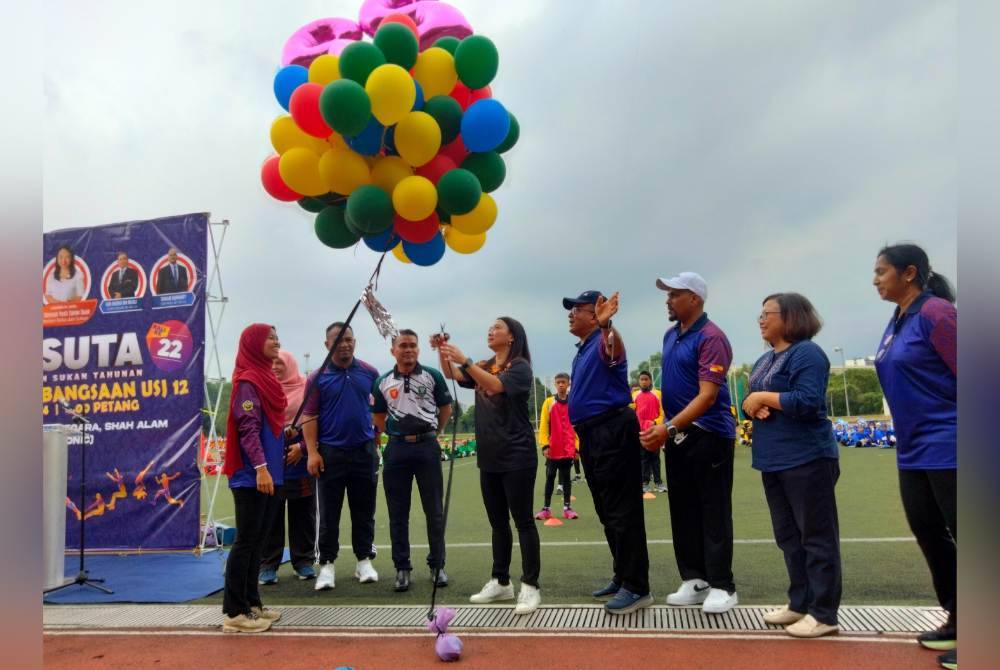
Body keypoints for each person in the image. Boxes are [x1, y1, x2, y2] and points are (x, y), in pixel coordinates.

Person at [872, 243, 957, 668]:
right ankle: (960, 616)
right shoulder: (897, 321)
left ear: (909, 273)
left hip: (952, 441)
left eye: (881, 271)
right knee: (929, 531)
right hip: (913, 448)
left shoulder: (936, 313)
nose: (875, 279)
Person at [742, 293, 842, 638]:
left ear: (791, 317)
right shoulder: (763, 360)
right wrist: (750, 404)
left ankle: (824, 613)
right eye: (761, 313)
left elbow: (808, 400)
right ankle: (799, 603)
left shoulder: (807, 354)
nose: (761, 319)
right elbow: (750, 399)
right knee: (789, 536)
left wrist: (764, 398)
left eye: (767, 313)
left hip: (808, 457)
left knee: (816, 537)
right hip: (773, 459)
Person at [640, 272, 738, 614]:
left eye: (674, 294)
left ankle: (723, 585)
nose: (667, 300)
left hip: (709, 434)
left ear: (694, 298)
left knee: (713, 510)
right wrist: (667, 428)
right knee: (682, 509)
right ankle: (695, 578)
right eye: (667, 294)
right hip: (678, 436)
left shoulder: (712, 337)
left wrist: (667, 427)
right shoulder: (671, 335)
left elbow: (708, 396)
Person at [435, 317, 541, 615]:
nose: (490, 330)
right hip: (490, 456)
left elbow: (494, 385)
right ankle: (501, 581)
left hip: (517, 455)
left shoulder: (519, 367)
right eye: (490, 327)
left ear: (511, 337)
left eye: (497, 327)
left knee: (523, 522)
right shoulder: (483, 363)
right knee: (498, 523)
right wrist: (443, 351)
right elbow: (453, 374)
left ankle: (530, 586)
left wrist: (465, 360)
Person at [563, 290, 651, 615]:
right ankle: (623, 575)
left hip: (612, 429)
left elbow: (615, 352)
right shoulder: (583, 348)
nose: (571, 314)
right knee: (605, 510)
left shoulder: (604, 339)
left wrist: (607, 325)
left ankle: (638, 587)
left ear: (596, 313)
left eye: (577, 309)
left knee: (622, 510)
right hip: (592, 435)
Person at [371, 329, 453, 592]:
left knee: (434, 512)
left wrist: (433, 434)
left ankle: (437, 565)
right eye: (403, 345)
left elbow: (445, 408)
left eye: (413, 346)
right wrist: (397, 434)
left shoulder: (433, 376)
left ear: (418, 349)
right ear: (393, 350)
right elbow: (378, 418)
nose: (408, 350)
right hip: (396, 451)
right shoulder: (382, 382)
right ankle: (402, 568)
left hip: (427, 448)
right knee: (398, 513)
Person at [302, 322, 381, 590]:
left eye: (348, 339)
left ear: (354, 342)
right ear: (327, 345)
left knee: (364, 510)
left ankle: (363, 561)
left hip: (364, 451)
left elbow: (379, 411)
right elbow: (309, 416)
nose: (344, 344)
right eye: (338, 340)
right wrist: (312, 452)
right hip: (330, 453)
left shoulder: (370, 373)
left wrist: (377, 442)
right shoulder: (317, 378)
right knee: (329, 512)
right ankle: (327, 564)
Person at [221, 323, 286, 633]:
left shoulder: (267, 379)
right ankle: (235, 611)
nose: (277, 341)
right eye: (270, 337)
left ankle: (252, 604)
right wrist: (260, 467)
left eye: (277, 336)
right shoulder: (248, 382)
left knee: (258, 541)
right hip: (251, 476)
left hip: (269, 475)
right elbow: (247, 428)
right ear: (254, 343)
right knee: (247, 541)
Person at [258, 350, 317, 585]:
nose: (274, 366)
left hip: (300, 460)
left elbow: (316, 422)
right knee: (270, 513)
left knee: (303, 512)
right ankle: (268, 564)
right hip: (271, 459)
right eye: (270, 361)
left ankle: (303, 561)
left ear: (290, 364)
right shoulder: (261, 388)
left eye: (279, 362)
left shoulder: (306, 389)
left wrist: (301, 446)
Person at [535, 372, 579, 520]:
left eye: (563, 382)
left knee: (566, 478)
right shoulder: (548, 403)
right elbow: (543, 426)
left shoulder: (573, 403)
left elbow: (576, 426)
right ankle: (546, 508)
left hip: (567, 449)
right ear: (555, 384)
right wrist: (545, 445)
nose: (561, 384)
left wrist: (577, 447)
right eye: (558, 382)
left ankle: (567, 508)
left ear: (568, 384)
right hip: (553, 449)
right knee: (550, 477)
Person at [631, 371, 666, 493]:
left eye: (646, 379)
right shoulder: (635, 395)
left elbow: (662, 412)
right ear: (639, 381)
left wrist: (656, 422)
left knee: (655, 457)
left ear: (650, 380)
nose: (644, 382)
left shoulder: (658, 394)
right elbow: (631, 413)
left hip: (654, 430)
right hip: (640, 432)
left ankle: (658, 482)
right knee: (643, 457)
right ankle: (644, 482)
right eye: (642, 379)